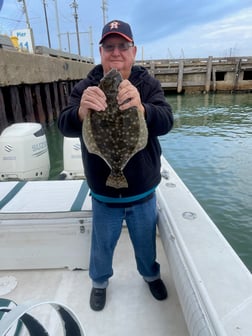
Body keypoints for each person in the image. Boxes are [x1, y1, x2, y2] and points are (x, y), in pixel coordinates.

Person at [58, 19, 173, 311]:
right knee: (102, 246)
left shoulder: (147, 85)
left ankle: (150, 275)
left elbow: (167, 121)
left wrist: (143, 107)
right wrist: (81, 111)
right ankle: (99, 283)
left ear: (134, 51)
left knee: (146, 243)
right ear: (101, 52)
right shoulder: (86, 86)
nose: (116, 53)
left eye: (123, 46)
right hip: (103, 194)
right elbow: (65, 125)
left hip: (143, 191)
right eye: (109, 47)